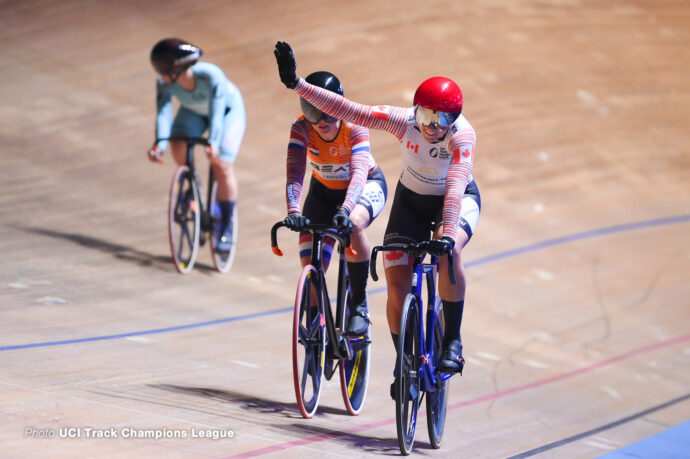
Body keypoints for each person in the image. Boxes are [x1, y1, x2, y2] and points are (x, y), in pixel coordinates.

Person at [274, 41, 481, 376]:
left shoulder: (462, 136)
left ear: (455, 119)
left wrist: (448, 232)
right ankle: (405, 360)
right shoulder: (404, 121)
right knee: (396, 283)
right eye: (425, 115)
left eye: (442, 119)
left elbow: (455, 184)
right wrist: (297, 85)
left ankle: (453, 342)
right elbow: (353, 110)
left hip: (453, 201)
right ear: (415, 111)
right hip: (410, 202)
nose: (431, 125)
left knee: (448, 250)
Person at [282, 70, 387, 336]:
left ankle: (359, 303)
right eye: (312, 111)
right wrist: (294, 210)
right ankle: (316, 323)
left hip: (365, 186)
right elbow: (295, 172)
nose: (321, 120)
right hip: (323, 193)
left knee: (353, 224)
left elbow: (359, 174)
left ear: (340, 107)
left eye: (328, 111)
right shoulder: (301, 127)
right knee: (311, 266)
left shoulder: (355, 126)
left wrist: (346, 209)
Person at [148, 38, 245, 253]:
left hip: (228, 113)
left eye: (163, 69)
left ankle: (226, 225)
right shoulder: (164, 82)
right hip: (194, 111)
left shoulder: (211, 76)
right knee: (177, 142)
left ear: (179, 67)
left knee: (221, 165)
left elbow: (217, 114)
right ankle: (192, 186)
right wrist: (159, 145)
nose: (160, 75)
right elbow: (163, 113)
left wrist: (213, 144)